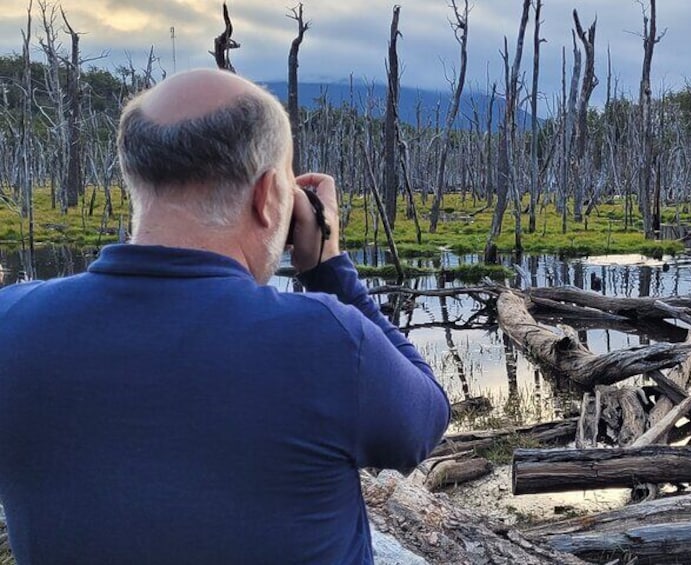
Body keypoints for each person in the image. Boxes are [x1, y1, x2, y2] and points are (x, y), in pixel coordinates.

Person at [0, 69, 451, 564]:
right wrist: (330, 269)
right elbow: (424, 420)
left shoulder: (12, 322)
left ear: (137, 179)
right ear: (266, 197)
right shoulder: (325, 338)